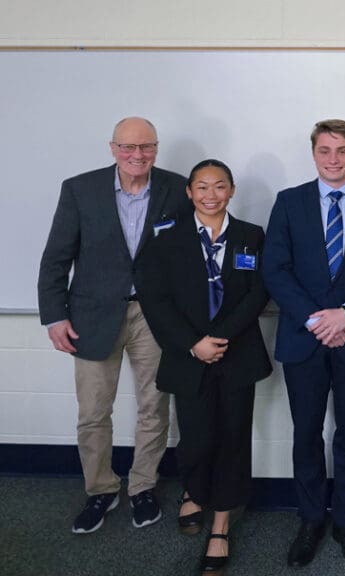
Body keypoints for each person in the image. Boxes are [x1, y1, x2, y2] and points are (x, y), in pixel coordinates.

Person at [37, 117, 190, 534]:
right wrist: (54, 316)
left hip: (154, 317)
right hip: (91, 316)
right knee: (92, 412)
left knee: (153, 408)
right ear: (112, 148)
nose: (137, 155)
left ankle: (142, 487)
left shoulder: (178, 189)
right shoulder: (80, 189)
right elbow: (56, 258)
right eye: (128, 147)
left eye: (147, 147)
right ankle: (101, 490)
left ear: (156, 148)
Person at [262, 119, 345, 568]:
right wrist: (318, 319)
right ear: (313, 154)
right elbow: (275, 269)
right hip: (305, 337)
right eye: (324, 150)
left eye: (341, 150)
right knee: (306, 433)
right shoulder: (289, 202)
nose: (333, 159)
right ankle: (311, 519)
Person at [138, 159, 272, 576]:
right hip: (187, 355)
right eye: (202, 187)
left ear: (231, 190)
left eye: (219, 187)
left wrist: (222, 337)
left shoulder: (251, 235)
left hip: (237, 354)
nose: (211, 195)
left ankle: (220, 524)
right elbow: (155, 299)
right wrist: (194, 344)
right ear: (189, 192)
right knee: (196, 437)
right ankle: (193, 492)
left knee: (233, 437)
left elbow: (258, 293)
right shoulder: (166, 238)